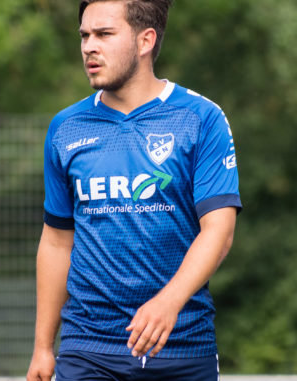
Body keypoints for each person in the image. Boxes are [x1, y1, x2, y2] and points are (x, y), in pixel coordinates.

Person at [26, 0, 242, 380]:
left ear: (145, 41)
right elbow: (57, 242)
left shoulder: (201, 118)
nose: (89, 47)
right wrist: (44, 347)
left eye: (104, 34)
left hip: (181, 347)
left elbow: (219, 232)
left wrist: (169, 302)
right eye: (84, 36)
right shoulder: (66, 128)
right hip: (87, 347)